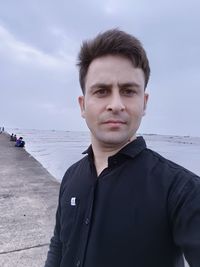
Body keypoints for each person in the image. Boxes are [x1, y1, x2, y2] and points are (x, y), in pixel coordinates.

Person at [44, 29, 200, 267]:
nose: (115, 105)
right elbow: (59, 244)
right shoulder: (71, 177)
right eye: (101, 91)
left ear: (144, 102)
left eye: (128, 91)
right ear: (83, 105)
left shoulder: (182, 191)